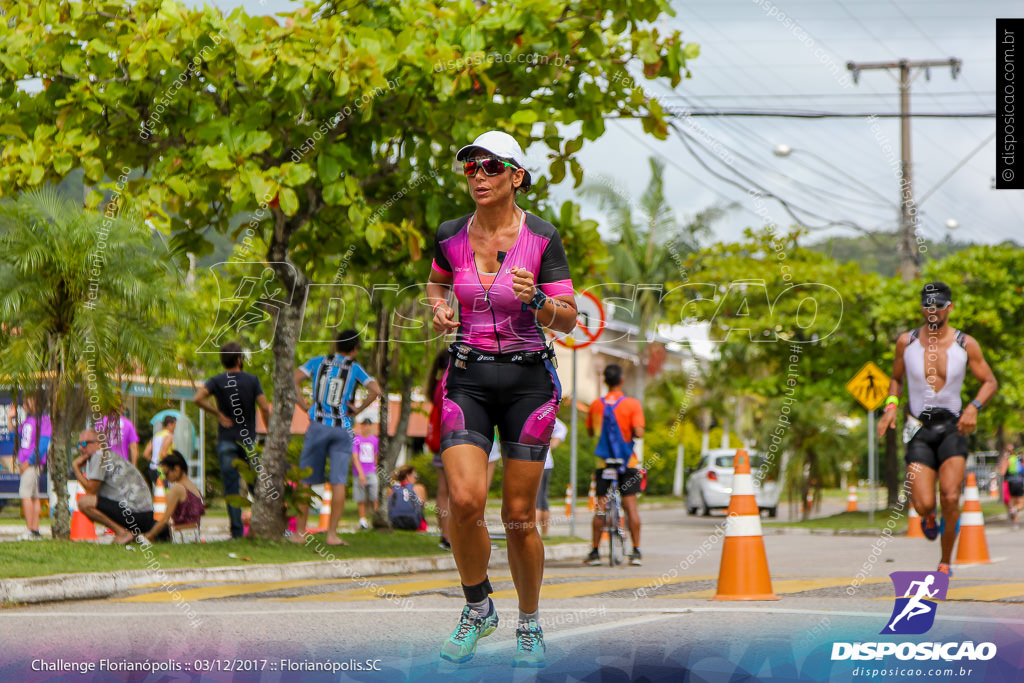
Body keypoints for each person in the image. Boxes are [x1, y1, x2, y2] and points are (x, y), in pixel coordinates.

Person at [428, 130, 578, 667]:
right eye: (470, 168)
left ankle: (530, 622)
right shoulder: (449, 235)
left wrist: (535, 297)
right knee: (463, 503)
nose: (479, 177)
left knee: (519, 517)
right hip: (467, 376)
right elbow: (436, 285)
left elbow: (568, 317)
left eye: (490, 167)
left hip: (528, 382)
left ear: (516, 176)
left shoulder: (542, 236)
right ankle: (477, 607)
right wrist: (440, 308)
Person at [877, 282, 998, 576]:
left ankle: (945, 561)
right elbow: (896, 380)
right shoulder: (906, 343)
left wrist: (974, 407)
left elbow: (990, 382)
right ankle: (928, 517)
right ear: (922, 307)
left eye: (939, 306)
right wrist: (891, 406)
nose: (933, 312)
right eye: (928, 306)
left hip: (952, 428)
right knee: (923, 503)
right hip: (919, 429)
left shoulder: (965, 343)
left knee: (950, 496)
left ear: (949, 307)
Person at [292, 330, 381, 545]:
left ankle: (300, 533)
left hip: (318, 425)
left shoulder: (317, 362)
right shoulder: (354, 368)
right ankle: (332, 535)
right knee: (338, 481)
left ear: (336, 344)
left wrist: (304, 405)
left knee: (305, 480)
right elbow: (376, 389)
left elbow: (292, 379)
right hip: (343, 429)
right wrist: (358, 410)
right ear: (355, 349)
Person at [193, 341, 273, 539]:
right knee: (257, 485)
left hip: (226, 440)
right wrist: (270, 430)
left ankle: (236, 532)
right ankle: (263, 527)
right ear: (239, 359)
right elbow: (264, 407)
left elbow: (197, 399)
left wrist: (218, 413)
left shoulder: (217, 381)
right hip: (249, 442)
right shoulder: (252, 380)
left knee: (231, 487)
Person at [586, 364, 646, 567]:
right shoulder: (632, 404)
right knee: (631, 507)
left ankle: (595, 551)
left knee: (600, 507)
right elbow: (638, 432)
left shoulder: (595, 404)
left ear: (605, 381)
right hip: (627, 463)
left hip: (604, 464)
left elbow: (591, 433)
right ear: (621, 380)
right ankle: (636, 550)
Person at [72, 429, 167, 544]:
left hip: (136, 514)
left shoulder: (99, 455)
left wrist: (76, 468)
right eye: (79, 444)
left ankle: (122, 534)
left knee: (84, 502)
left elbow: (91, 490)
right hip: (144, 515)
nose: (80, 448)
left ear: (98, 443)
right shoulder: (107, 455)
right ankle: (132, 534)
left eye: (84, 444)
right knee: (91, 501)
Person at [144, 451, 206, 543]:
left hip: (180, 535)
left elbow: (164, 520)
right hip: (193, 534)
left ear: (177, 469)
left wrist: (147, 536)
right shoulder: (194, 488)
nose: (165, 477)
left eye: (166, 473)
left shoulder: (177, 488)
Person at [426, 350, 452, 550]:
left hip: (439, 443)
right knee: (456, 492)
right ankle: (454, 536)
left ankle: (445, 535)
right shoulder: (451, 381)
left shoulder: (436, 384)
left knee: (443, 493)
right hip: (453, 442)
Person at [16, 396, 51, 540]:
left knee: (25, 494)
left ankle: (30, 530)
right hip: (25, 462)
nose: (25, 405)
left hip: (31, 464)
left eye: (28, 401)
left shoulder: (44, 420)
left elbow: (42, 445)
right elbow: (19, 435)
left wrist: (29, 461)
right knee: (34, 496)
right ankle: (35, 530)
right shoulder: (28, 420)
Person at [536, 417, 567, 537]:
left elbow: (562, 429)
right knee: (543, 499)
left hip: (535, 461)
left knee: (536, 500)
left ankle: (534, 534)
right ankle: (544, 533)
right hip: (547, 461)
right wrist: (552, 445)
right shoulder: (545, 412)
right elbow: (562, 428)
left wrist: (552, 445)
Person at [352, 418, 380, 530]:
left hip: (371, 471)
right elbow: (355, 456)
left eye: (368, 425)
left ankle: (376, 518)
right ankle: (363, 521)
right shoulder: (357, 439)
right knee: (361, 497)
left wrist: (375, 468)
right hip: (359, 472)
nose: (366, 427)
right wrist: (361, 473)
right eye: (364, 425)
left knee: (375, 496)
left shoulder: (374, 440)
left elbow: (376, 454)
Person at [142, 415, 176, 491]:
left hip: (153, 469)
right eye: (174, 425)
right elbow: (163, 454)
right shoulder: (169, 436)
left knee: (158, 494)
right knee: (166, 495)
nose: (175, 428)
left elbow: (146, 454)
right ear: (169, 425)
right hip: (162, 470)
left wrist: (154, 460)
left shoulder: (156, 436)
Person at [388, 464, 427, 530]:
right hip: (414, 523)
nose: (416, 479)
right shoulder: (419, 488)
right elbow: (422, 507)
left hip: (394, 522)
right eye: (415, 476)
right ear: (408, 476)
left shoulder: (391, 489)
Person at [998, 443, 1023, 530]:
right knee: (1020, 503)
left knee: (1013, 503)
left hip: (1011, 483)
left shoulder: (1008, 459)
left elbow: (1002, 472)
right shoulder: (1019, 459)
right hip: (1019, 482)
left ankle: (1015, 523)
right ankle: (1015, 510)